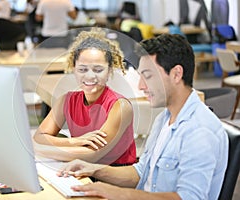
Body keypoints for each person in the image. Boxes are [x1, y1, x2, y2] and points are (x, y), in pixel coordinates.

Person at [58, 34, 229, 200]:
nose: (141, 86)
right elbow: (141, 172)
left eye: (148, 76)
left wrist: (120, 194)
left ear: (176, 74)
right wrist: (94, 170)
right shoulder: (164, 118)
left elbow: (189, 197)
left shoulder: (200, 131)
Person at [33, 28, 137, 166]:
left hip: (114, 177)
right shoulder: (66, 100)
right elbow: (40, 136)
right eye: (82, 69)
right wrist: (75, 141)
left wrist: (39, 150)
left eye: (98, 70)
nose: (89, 76)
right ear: (73, 69)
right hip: (81, 170)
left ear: (110, 70)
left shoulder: (120, 106)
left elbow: (92, 155)